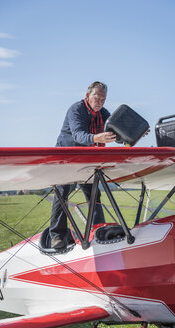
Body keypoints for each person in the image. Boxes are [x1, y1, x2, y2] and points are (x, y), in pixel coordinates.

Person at [50, 81, 116, 248]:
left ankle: (99, 230)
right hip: (67, 157)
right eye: (97, 97)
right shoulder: (76, 109)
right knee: (62, 194)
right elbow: (79, 135)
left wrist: (136, 130)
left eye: (103, 99)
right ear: (88, 96)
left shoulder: (104, 113)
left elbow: (117, 127)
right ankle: (57, 236)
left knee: (94, 194)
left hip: (87, 158)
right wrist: (96, 138)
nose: (100, 102)